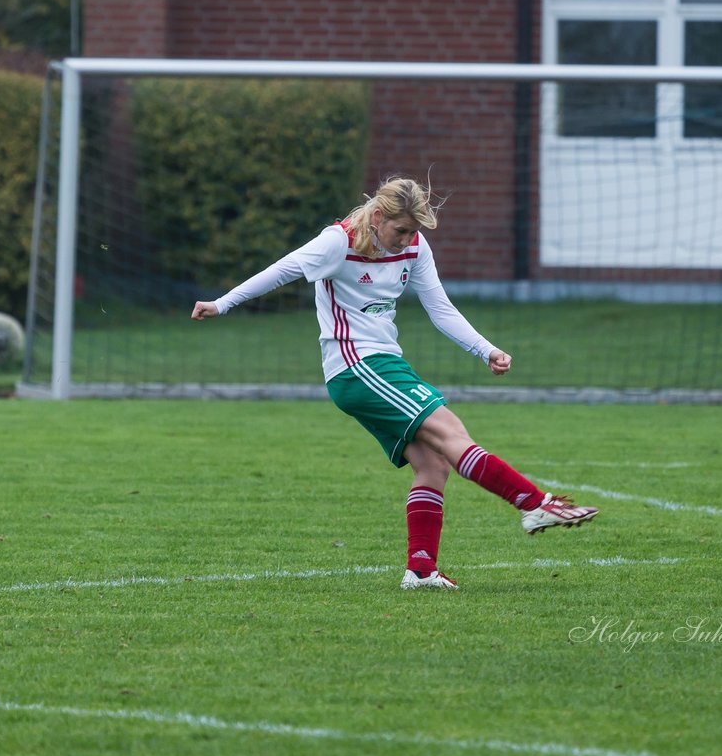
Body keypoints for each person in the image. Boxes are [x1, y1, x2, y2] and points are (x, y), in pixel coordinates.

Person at [191, 176, 597, 591]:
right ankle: (534, 503)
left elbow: (440, 308)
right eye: (401, 230)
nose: (407, 239)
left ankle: (420, 571)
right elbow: (283, 270)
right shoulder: (338, 242)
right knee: (450, 431)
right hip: (356, 366)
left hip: (382, 363)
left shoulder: (415, 246)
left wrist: (485, 349)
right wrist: (221, 304)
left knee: (433, 463)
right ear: (378, 216)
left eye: (414, 231)